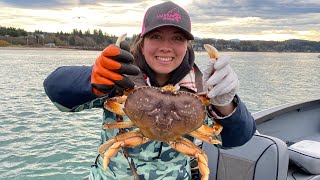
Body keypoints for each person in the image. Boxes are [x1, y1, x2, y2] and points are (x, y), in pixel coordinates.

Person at [43, 1, 256, 179]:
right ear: (142, 42)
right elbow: (56, 91)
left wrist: (226, 105)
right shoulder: (119, 81)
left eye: (177, 38)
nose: (166, 46)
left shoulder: (201, 93)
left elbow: (234, 140)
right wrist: (91, 80)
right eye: (156, 36)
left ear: (187, 46)